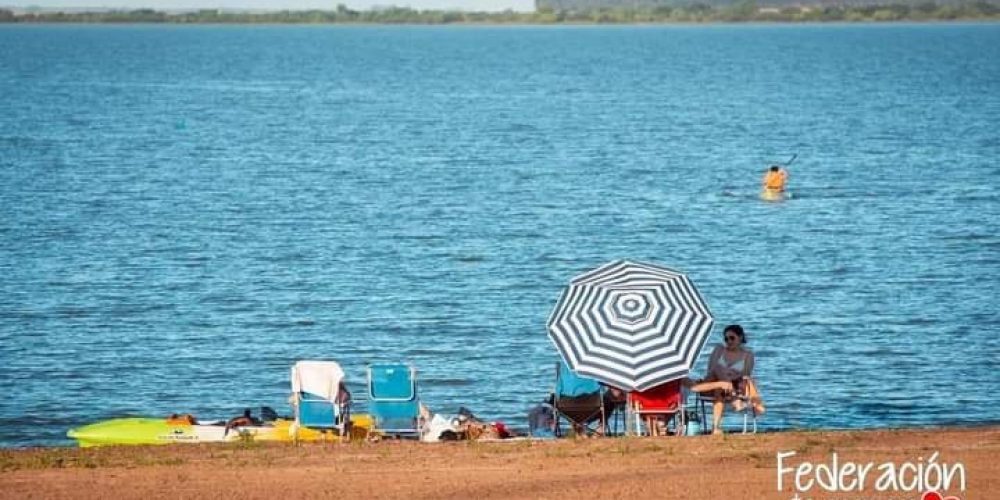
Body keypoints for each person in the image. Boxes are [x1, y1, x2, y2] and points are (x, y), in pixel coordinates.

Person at [686, 324, 765, 435]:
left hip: (733, 387)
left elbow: (746, 373)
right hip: (711, 385)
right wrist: (725, 374)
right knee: (718, 369)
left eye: (732, 338)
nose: (728, 341)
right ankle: (735, 401)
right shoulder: (719, 349)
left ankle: (716, 428)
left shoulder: (748, 355)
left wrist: (730, 376)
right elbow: (711, 370)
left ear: (740, 337)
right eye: (726, 338)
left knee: (721, 389)